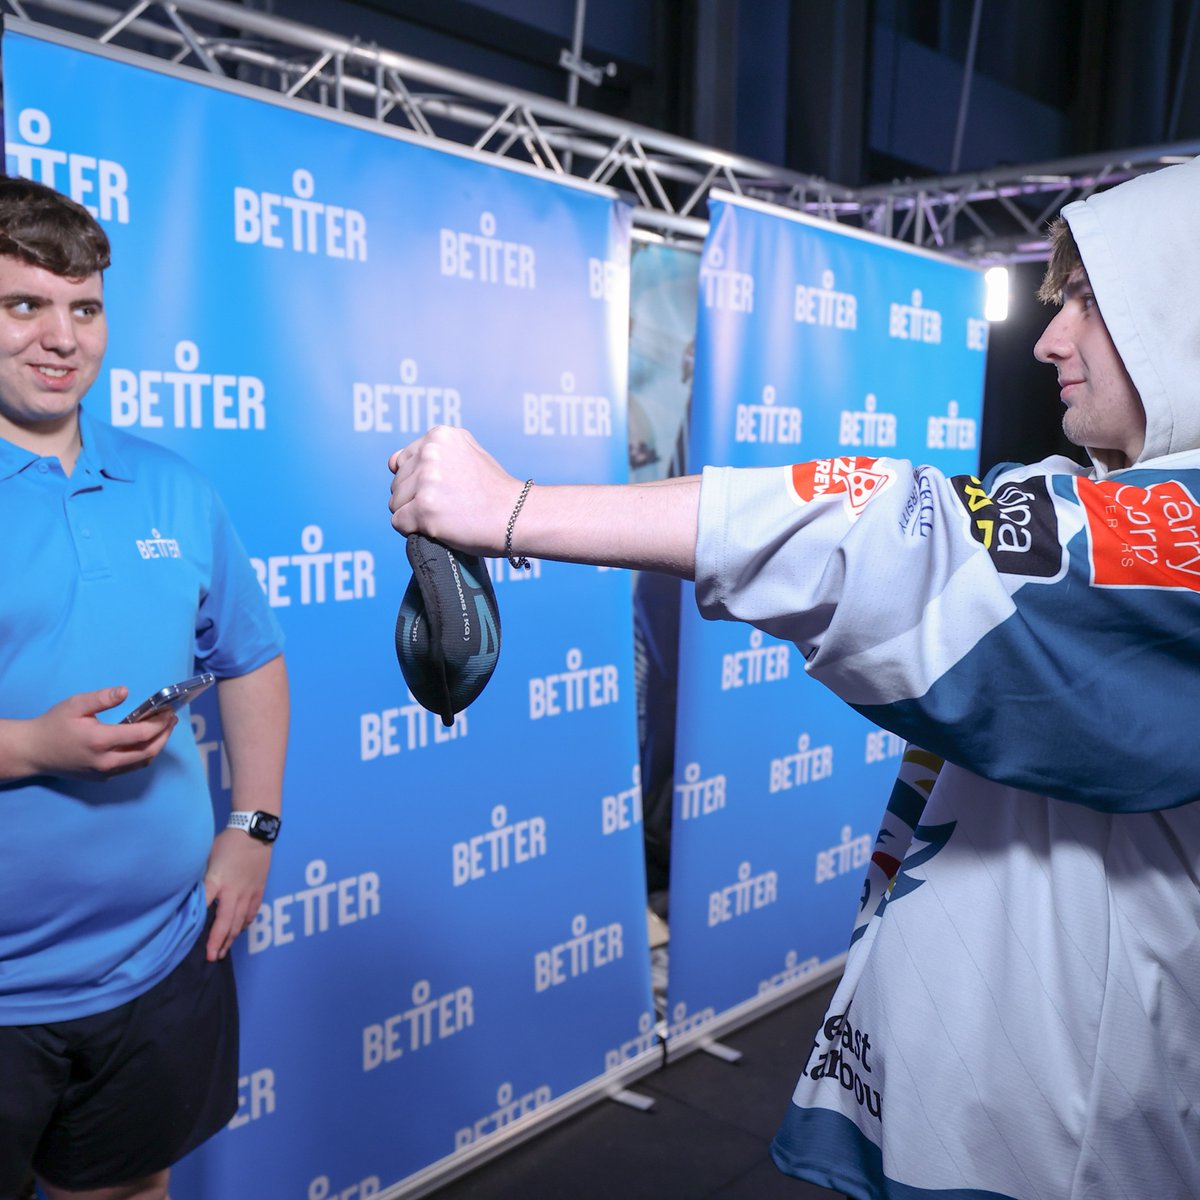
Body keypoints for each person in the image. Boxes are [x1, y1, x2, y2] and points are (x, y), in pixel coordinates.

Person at [389, 154, 1200, 1198]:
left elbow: (893, 537)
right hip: (998, 1130)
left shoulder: (1174, 551)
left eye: (1090, 303)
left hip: (1064, 1160)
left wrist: (515, 510)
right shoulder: (1113, 512)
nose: (1048, 338)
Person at [0, 177, 288, 1200]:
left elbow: (250, 658)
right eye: (22, 305)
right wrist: (30, 748)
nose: (59, 337)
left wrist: (252, 828)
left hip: (157, 966)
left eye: (83, 308)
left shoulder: (175, 487)